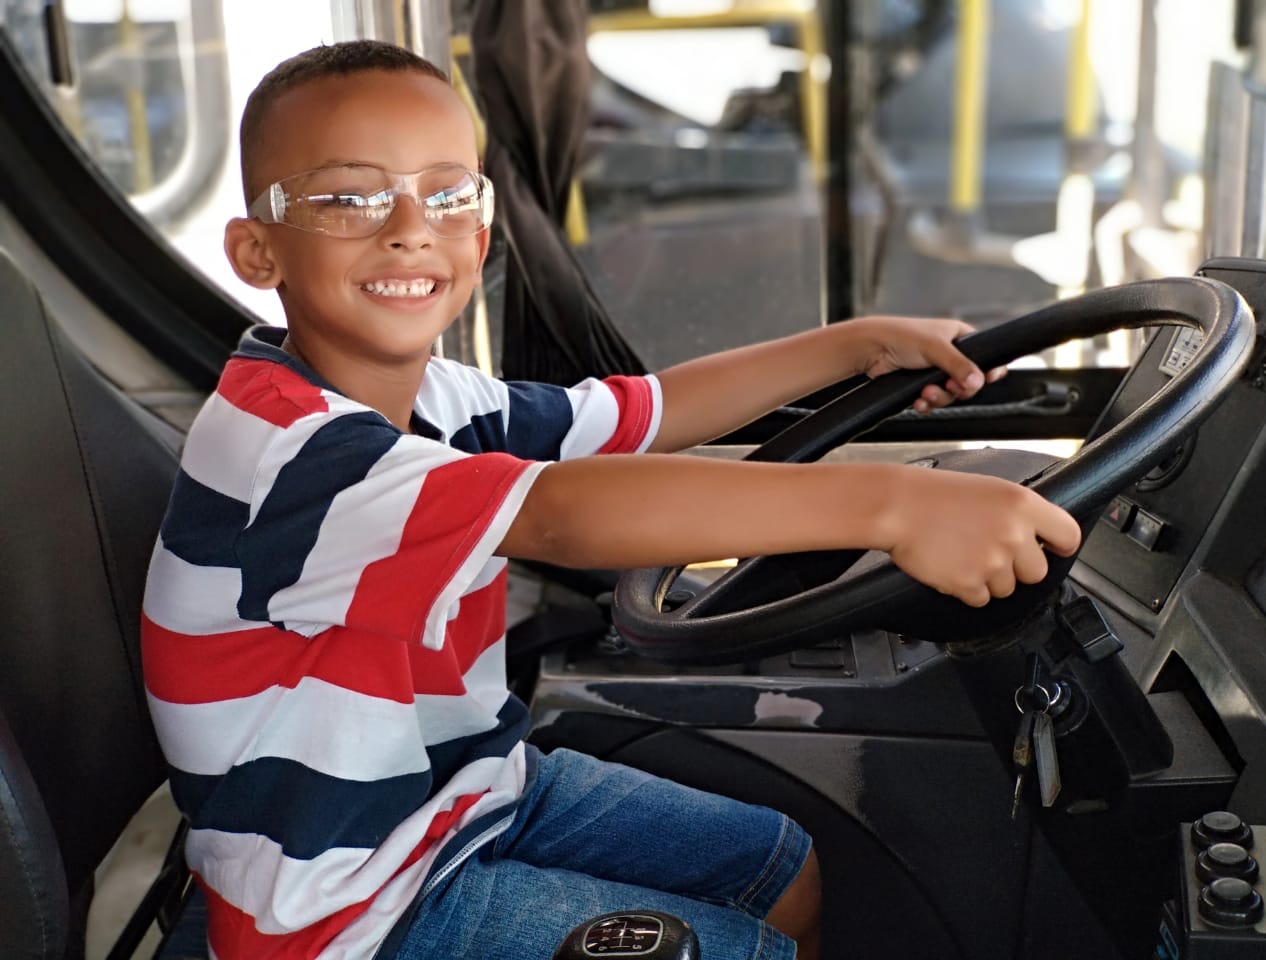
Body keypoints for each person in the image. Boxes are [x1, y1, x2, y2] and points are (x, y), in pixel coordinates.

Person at [140, 40, 1080, 960]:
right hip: (341, 909)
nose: (409, 226)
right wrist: (890, 508)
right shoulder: (287, 453)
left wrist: (853, 345)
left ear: (481, 226)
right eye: (350, 197)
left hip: (466, 793)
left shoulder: (435, 396)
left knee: (779, 867)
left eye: (447, 192)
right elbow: (563, 511)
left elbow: (637, 417)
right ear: (258, 251)